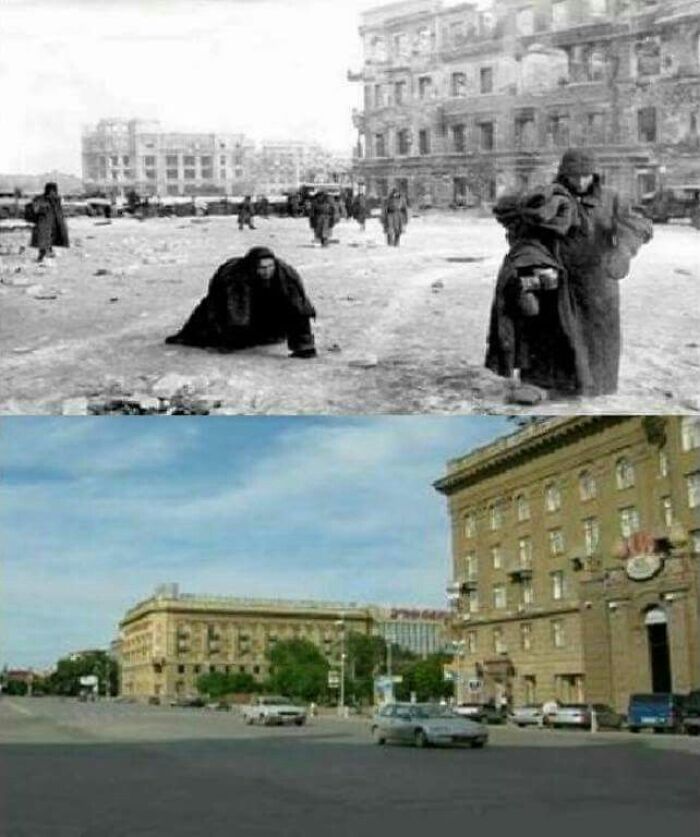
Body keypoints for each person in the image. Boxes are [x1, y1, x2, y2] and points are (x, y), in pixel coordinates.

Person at [486, 148, 652, 399]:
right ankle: (547, 384)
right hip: (558, 276)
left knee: (597, 335)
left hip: (597, 280)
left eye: (586, 175)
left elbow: (638, 225)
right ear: (564, 175)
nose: (580, 181)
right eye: (574, 176)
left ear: (595, 175)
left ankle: (595, 385)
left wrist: (624, 250)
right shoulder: (552, 197)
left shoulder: (611, 198)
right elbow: (523, 229)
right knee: (551, 331)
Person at [165, 246, 316, 357]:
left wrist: (304, 345)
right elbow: (221, 308)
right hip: (236, 313)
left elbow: (299, 307)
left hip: (268, 311)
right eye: (262, 268)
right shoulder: (234, 276)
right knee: (210, 336)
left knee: (292, 309)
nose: (267, 271)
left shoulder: (285, 275)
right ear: (252, 267)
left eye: (270, 267)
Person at [28, 182, 70, 262]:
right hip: (43, 223)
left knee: (50, 239)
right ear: (49, 190)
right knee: (43, 241)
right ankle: (41, 256)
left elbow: (59, 211)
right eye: (52, 190)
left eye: (54, 191)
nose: (53, 192)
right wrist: (42, 207)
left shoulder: (56, 199)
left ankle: (49, 252)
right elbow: (35, 209)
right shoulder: (40, 199)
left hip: (53, 224)